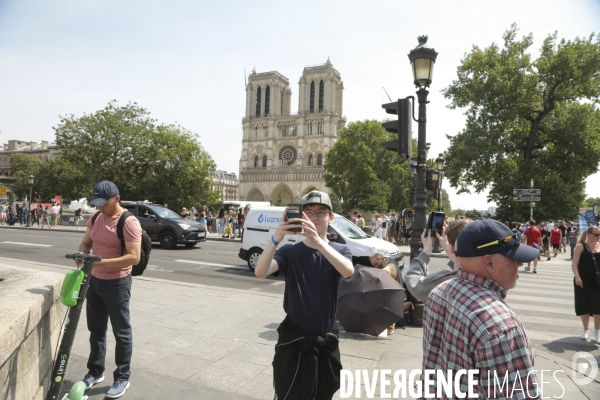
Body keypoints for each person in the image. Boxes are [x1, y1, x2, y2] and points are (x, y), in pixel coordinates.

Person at [421, 219, 541, 397]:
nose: (520, 264)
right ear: (490, 263)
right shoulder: (501, 326)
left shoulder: (440, 291)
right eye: (513, 257)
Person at [255, 191, 353, 400]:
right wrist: (275, 238)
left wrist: (318, 242)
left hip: (324, 342)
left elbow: (347, 271)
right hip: (294, 342)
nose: (314, 218)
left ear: (331, 217)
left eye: (320, 213)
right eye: (308, 212)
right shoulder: (290, 251)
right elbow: (261, 272)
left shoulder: (339, 250)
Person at [77, 181, 142, 398]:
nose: (99, 208)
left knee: (121, 332)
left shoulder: (128, 222)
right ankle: (95, 371)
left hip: (117, 284)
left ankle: (122, 377)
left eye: (103, 204)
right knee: (96, 330)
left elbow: (134, 257)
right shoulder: (95, 218)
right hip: (94, 281)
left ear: (117, 198)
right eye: (96, 204)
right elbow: (86, 243)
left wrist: (99, 262)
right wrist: (82, 255)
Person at [404, 219, 471, 302]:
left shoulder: (445, 281)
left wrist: (426, 250)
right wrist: (448, 248)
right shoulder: (481, 275)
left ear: (453, 247)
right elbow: (459, 262)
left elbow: (411, 280)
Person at [572, 226, 600, 344]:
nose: (598, 236)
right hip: (583, 280)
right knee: (584, 304)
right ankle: (585, 329)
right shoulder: (580, 246)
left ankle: (597, 331)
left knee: (598, 306)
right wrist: (577, 277)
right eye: (596, 234)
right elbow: (574, 263)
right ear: (589, 234)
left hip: (598, 280)